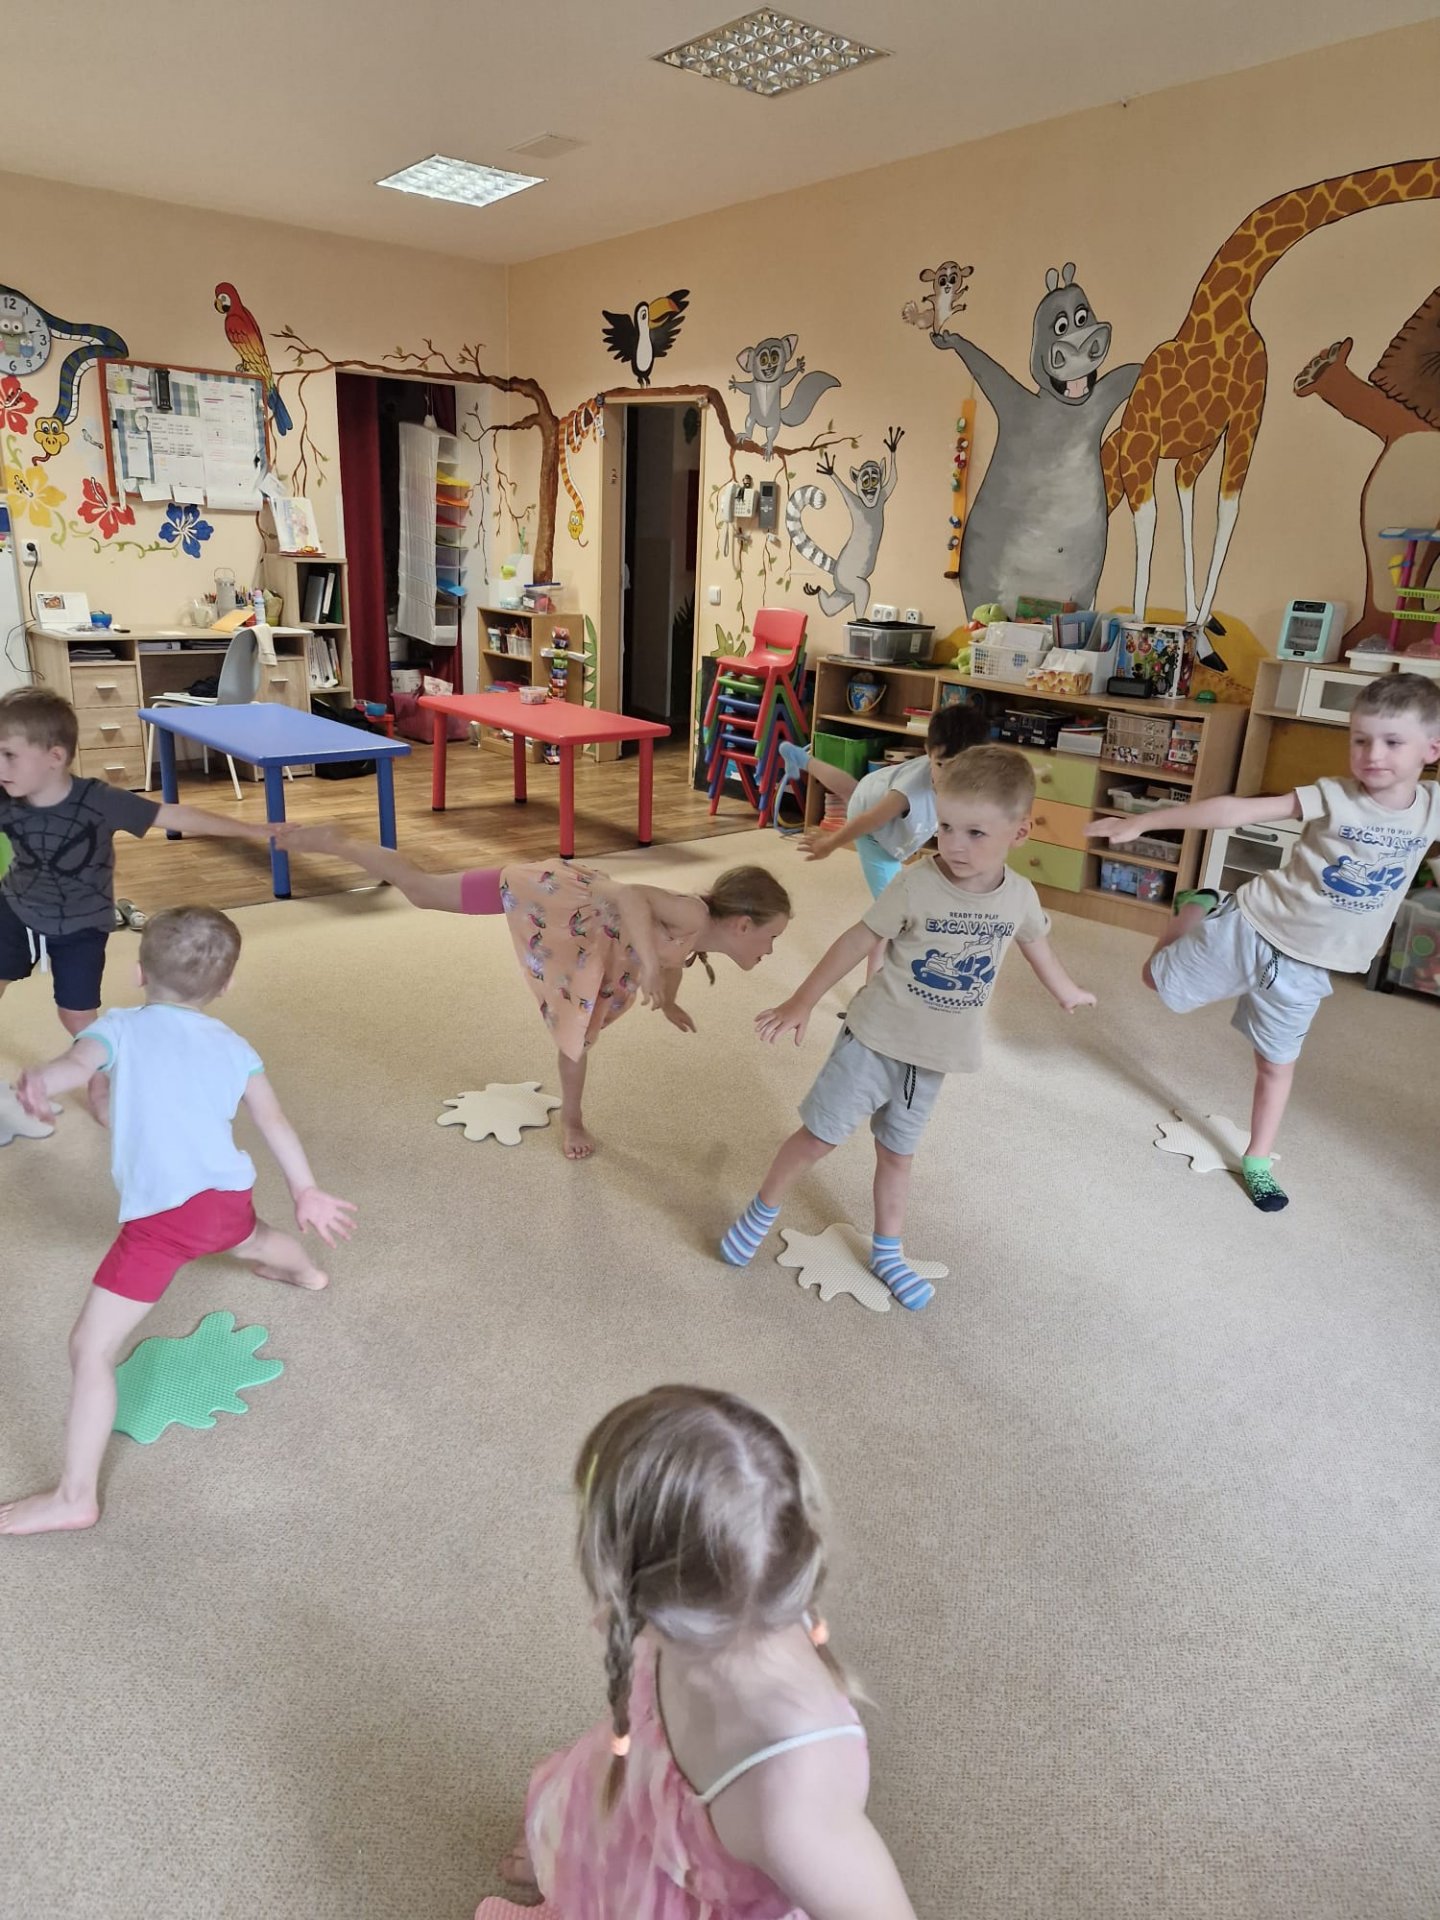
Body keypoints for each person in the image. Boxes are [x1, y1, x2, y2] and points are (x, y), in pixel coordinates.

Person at [488, 1384, 918, 1920]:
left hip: (685, 1893)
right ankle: (570, 1862)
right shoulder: (712, 1606)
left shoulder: (792, 1806)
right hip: (634, 1810)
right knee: (584, 1837)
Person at [0, 906, 355, 1536]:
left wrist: (38, 1083)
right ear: (227, 985)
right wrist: (306, 1190)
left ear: (138, 973)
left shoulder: (118, 1027)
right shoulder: (236, 1046)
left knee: (89, 1348)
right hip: (226, 1197)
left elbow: (75, 1067)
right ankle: (308, 1275)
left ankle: (74, 1497)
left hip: (162, 1220)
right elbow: (273, 1122)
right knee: (251, 1239)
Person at [722, 746, 1095, 1308]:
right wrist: (802, 1001)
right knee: (819, 1137)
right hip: (873, 1041)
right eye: (945, 827)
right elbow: (857, 940)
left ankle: (888, 1252)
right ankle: (760, 1212)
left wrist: (1065, 990)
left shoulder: (1019, 896)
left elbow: (1035, 941)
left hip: (933, 1059)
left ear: (1020, 833)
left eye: (975, 833)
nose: (953, 845)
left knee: (898, 1154)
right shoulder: (916, 885)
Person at [1088, 670, 1440, 1213]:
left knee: (1276, 1064)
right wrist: (1149, 821)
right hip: (1252, 925)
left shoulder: (1432, 809)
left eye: (1393, 742)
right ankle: (1195, 908)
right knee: (1154, 981)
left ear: (1431, 749)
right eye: (1360, 739)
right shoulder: (1332, 796)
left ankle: (1258, 1160)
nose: (1372, 755)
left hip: (1307, 967)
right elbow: (1237, 810)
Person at [278, 827, 792, 1160]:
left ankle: (339, 844)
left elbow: (676, 961)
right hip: (553, 898)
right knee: (573, 1030)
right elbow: (632, 896)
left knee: (424, 891)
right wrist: (652, 966)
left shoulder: (695, 938)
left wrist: (670, 998)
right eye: (772, 938)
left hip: (569, 918)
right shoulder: (693, 913)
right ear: (742, 925)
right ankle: (573, 1122)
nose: (771, 950)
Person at [0, 687, 279, 1054]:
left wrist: (254, 829)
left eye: (9, 755)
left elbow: (177, 816)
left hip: (82, 923)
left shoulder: (100, 801)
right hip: (16, 907)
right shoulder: (6, 796)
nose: (0, 766)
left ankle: (101, 1079)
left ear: (55, 756)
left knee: (77, 1017)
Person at [780, 696, 991, 894]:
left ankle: (799, 758)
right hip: (874, 832)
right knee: (891, 902)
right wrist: (830, 843)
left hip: (874, 788)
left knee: (850, 789)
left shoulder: (976, 778)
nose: (948, 777)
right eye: (941, 765)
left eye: (959, 768)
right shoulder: (910, 790)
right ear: (928, 751)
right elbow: (871, 820)